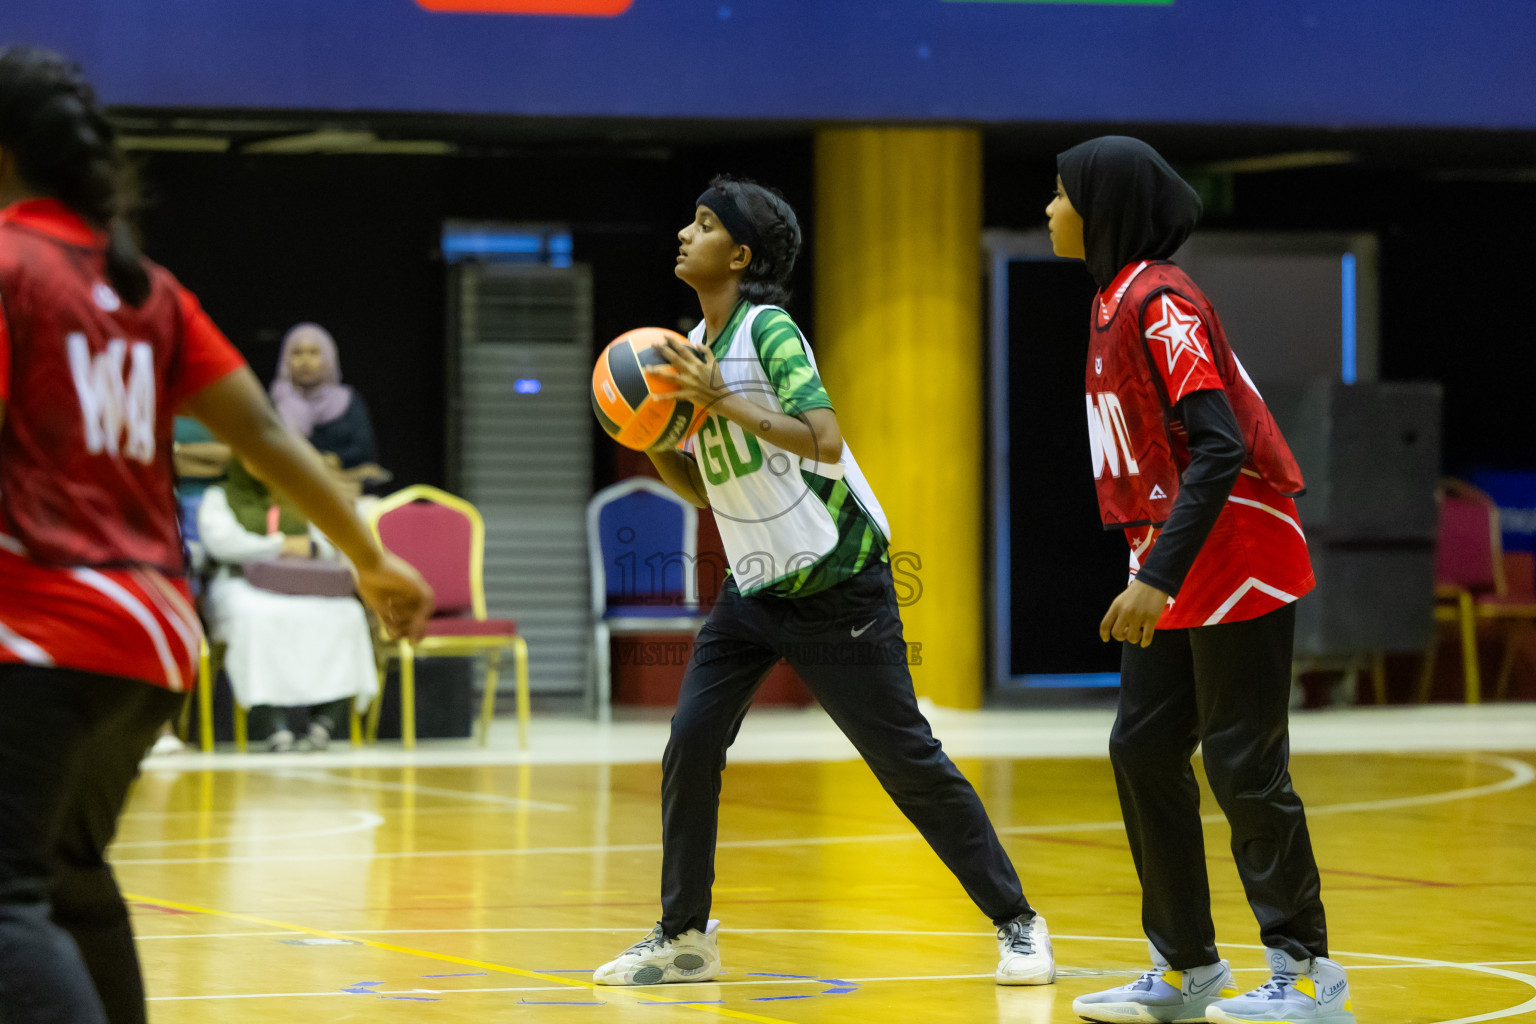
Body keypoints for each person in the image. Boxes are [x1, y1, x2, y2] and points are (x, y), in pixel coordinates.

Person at [0, 46, 432, 1024]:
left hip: (42, 633)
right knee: (66, 879)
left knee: (7, 904)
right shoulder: (146, 288)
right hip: (153, 640)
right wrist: (370, 555)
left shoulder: (10, 268)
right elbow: (267, 437)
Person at [592, 176, 1053, 988]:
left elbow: (825, 441)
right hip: (753, 586)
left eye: (703, 226)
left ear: (738, 254)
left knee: (907, 761)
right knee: (692, 741)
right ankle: (684, 934)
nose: (683, 234)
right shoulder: (688, 344)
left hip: (837, 577)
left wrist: (721, 402)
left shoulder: (768, 331)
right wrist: (657, 430)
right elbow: (706, 489)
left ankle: (1018, 922)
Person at [1044, 137, 1355, 1024]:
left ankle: (1309, 976)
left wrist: (1158, 576)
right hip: (1176, 556)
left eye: (1060, 195)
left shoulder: (1160, 297)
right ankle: (1186, 968)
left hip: (1238, 552)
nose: (1050, 210)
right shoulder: (1112, 301)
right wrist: (1153, 566)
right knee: (1142, 748)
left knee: (1244, 764)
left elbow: (1218, 444)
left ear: (1101, 209)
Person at [199, 457, 379, 751]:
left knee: (347, 613)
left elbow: (324, 542)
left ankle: (324, 721)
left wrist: (309, 547)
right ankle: (273, 724)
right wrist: (280, 545)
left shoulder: (298, 492)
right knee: (254, 616)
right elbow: (223, 543)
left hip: (300, 583)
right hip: (240, 582)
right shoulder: (220, 496)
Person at [271, 321, 389, 498]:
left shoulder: (348, 400)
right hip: (293, 492)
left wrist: (335, 461)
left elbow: (364, 451)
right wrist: (322, 464)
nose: (305, 361)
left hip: (349, 491)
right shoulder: (275, 403)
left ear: (328, 357)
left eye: (314, 352)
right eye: (297, 353)